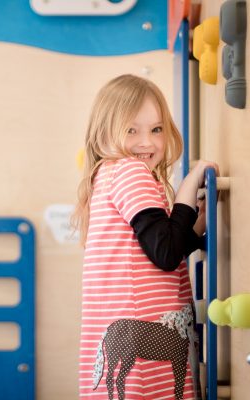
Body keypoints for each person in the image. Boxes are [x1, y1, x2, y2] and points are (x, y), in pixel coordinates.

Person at [72, 74, 219, 400]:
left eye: (156, 129)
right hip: (144, 348)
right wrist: (189, 185)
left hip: (126, 332)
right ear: (106, 132)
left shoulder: (106, 176)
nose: (147, 143)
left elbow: (160, 250)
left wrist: (197, 223)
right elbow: (165, 254)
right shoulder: (130, 171)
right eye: (131, 130)